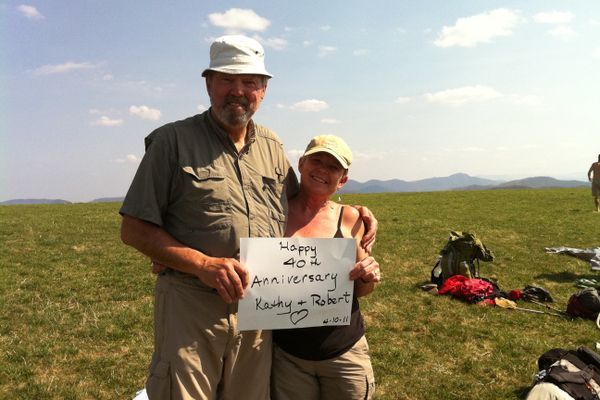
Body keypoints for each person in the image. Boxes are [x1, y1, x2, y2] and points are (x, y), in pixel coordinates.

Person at [119, 35, 378, 400]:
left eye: (249, 82)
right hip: (193, 307)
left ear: (263, 90)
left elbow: (302, 200)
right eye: (226, 79)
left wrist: (354, 214)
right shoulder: (171, 142)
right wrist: (198, 262)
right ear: (209, 84)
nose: (237, 91)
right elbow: (134, 228)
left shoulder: (272, 146)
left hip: (260, 311)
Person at [271, 135, 380, 400]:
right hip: (288, 356)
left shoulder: (351, 218)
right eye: (316, 160)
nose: (322, 169)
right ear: (301, 164)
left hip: (344, 351)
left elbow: (363, 291)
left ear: (342, 179)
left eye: (333, 167)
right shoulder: (274, 214)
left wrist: (368, 275)